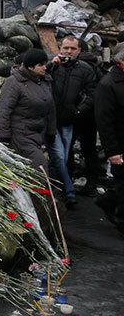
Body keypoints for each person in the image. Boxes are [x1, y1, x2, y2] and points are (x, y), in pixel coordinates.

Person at [47, 35, 96, 206]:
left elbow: (92, 93)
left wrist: (79, 110)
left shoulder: (85, 69)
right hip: (51, 119)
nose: (69, 51)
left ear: (79, 50)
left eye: (73, 49)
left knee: (64, 155)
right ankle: (66, 190)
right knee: (59, 155)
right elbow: (38, 78)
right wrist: (52, 65)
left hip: (71, 120)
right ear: (60, 49)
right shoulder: (52, 65)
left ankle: (64, 189)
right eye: (66, 48)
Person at [0, 49, 55, 171]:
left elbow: (50, 108)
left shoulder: (44, 81)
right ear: (30, 67)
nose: (45, 67)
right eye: (41, 65)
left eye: (45, 64)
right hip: (20, 134)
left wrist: (51, 131)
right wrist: (3, 135)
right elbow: (4, 110)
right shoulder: (14, 82)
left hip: (38, 133)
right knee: (40, 164)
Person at [94, 43, 124, 234]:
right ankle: (121, 221)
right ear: (121, 61)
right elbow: (104, 121)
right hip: (120, 143)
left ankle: (107, 200)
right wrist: (112, 151)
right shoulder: (108, 84)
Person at [72, 41, 103, 195]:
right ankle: (92, 183)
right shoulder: (96, 67)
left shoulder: (80, 67)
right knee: (89, 148)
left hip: (78, 113)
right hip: (91, 115)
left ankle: (70, 181)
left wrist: (78, 110)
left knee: (69, 147)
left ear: (79, 50)